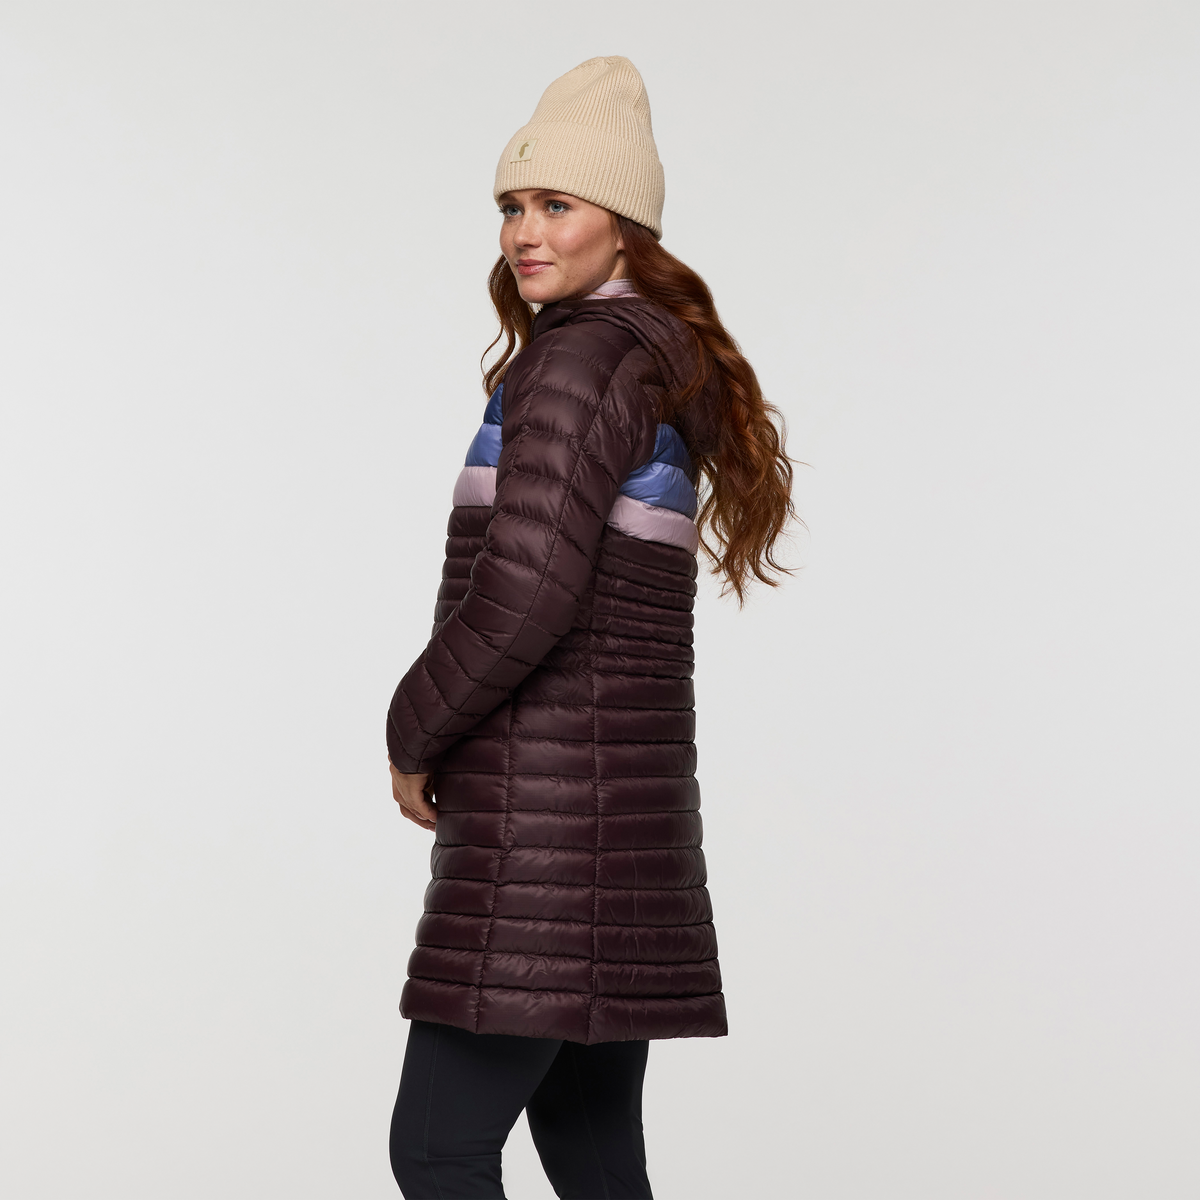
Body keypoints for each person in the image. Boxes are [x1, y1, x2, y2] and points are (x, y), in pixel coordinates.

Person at [385, 56, 794, 1199]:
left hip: (546, 824)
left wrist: (413, 729)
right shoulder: (642, 356)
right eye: (512, 205)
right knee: (593, 1148)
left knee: (438, 1149)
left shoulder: (574, 360)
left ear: (625, 225)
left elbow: (527, 592)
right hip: (618, 823)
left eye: (557, 203)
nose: (525, 231)